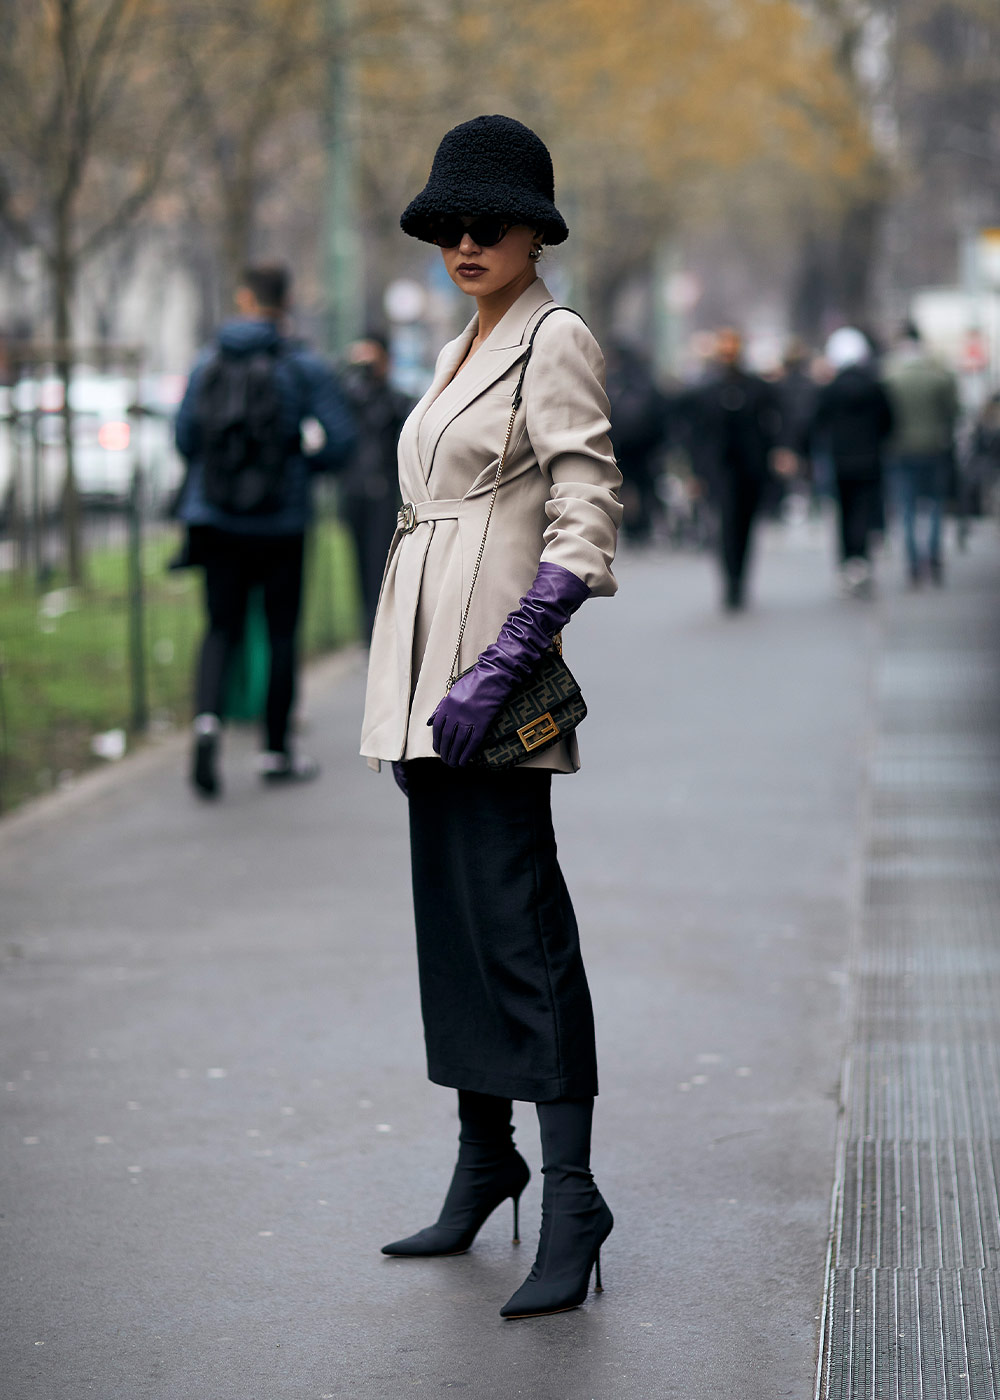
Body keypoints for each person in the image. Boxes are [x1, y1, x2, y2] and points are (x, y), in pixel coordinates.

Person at [359, 114, 622, 1319]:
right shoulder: (467, 341)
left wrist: (504, 662)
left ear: (533, 230)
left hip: (490, 692)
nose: (465, 240)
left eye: (489, 224)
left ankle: (569, 1193)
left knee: (520, 930)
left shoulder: (553, 337)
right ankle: (485, 1158)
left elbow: (584, 507)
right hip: (425, 691)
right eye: (447, 226)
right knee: (454, 931)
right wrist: (418, 682)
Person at [175, 263, 356, 797]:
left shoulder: (208, 360)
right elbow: (342, 441)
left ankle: (207, 723)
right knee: (280, 633)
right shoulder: (303, 365)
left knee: (219, 627)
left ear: (244, 298)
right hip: (282, 521)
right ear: (287, 301)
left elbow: (185, 437)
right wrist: (302, 465)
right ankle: (275, 752)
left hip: (216, 519)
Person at [684, 327, 781, 610]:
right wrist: (696, 471)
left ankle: (739, 581)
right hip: (720, 470)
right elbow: (696, 435)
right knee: (727, 526)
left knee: (745, 527)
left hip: (750, 469)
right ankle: (731, 583)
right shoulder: (706, 391)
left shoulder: (756, 388)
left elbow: (773, 423)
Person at [809, 327, 894, 597]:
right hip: (870, 459)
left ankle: (848, 560)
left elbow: (815, 422)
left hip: (841, 460)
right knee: (865, 510)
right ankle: (862, 559)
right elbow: (888, 421)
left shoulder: (830, 390)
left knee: (845, 512)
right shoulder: (875, 387)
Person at [339, 334, 412, 639]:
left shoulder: (397, 401)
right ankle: (367, 631)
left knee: (381, 562)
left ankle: (382, 628)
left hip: (383, 493)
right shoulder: (347, 401)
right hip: (353, 493)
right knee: (358, 564)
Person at [883, 322, 959, 586]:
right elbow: (952, 411)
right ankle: (934, 556)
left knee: (906, 508)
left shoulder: (890, 377)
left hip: (900, 448)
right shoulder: (937, 376)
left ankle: (913, 562)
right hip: (934, 446)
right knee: (935, 504)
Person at [604, 341, 667, 546]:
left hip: (624, 444)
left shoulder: (616, 381)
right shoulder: (644, 380)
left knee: (627, 485)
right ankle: (642, 525)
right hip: (645, 446)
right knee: (645, 485)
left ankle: (633, 525)